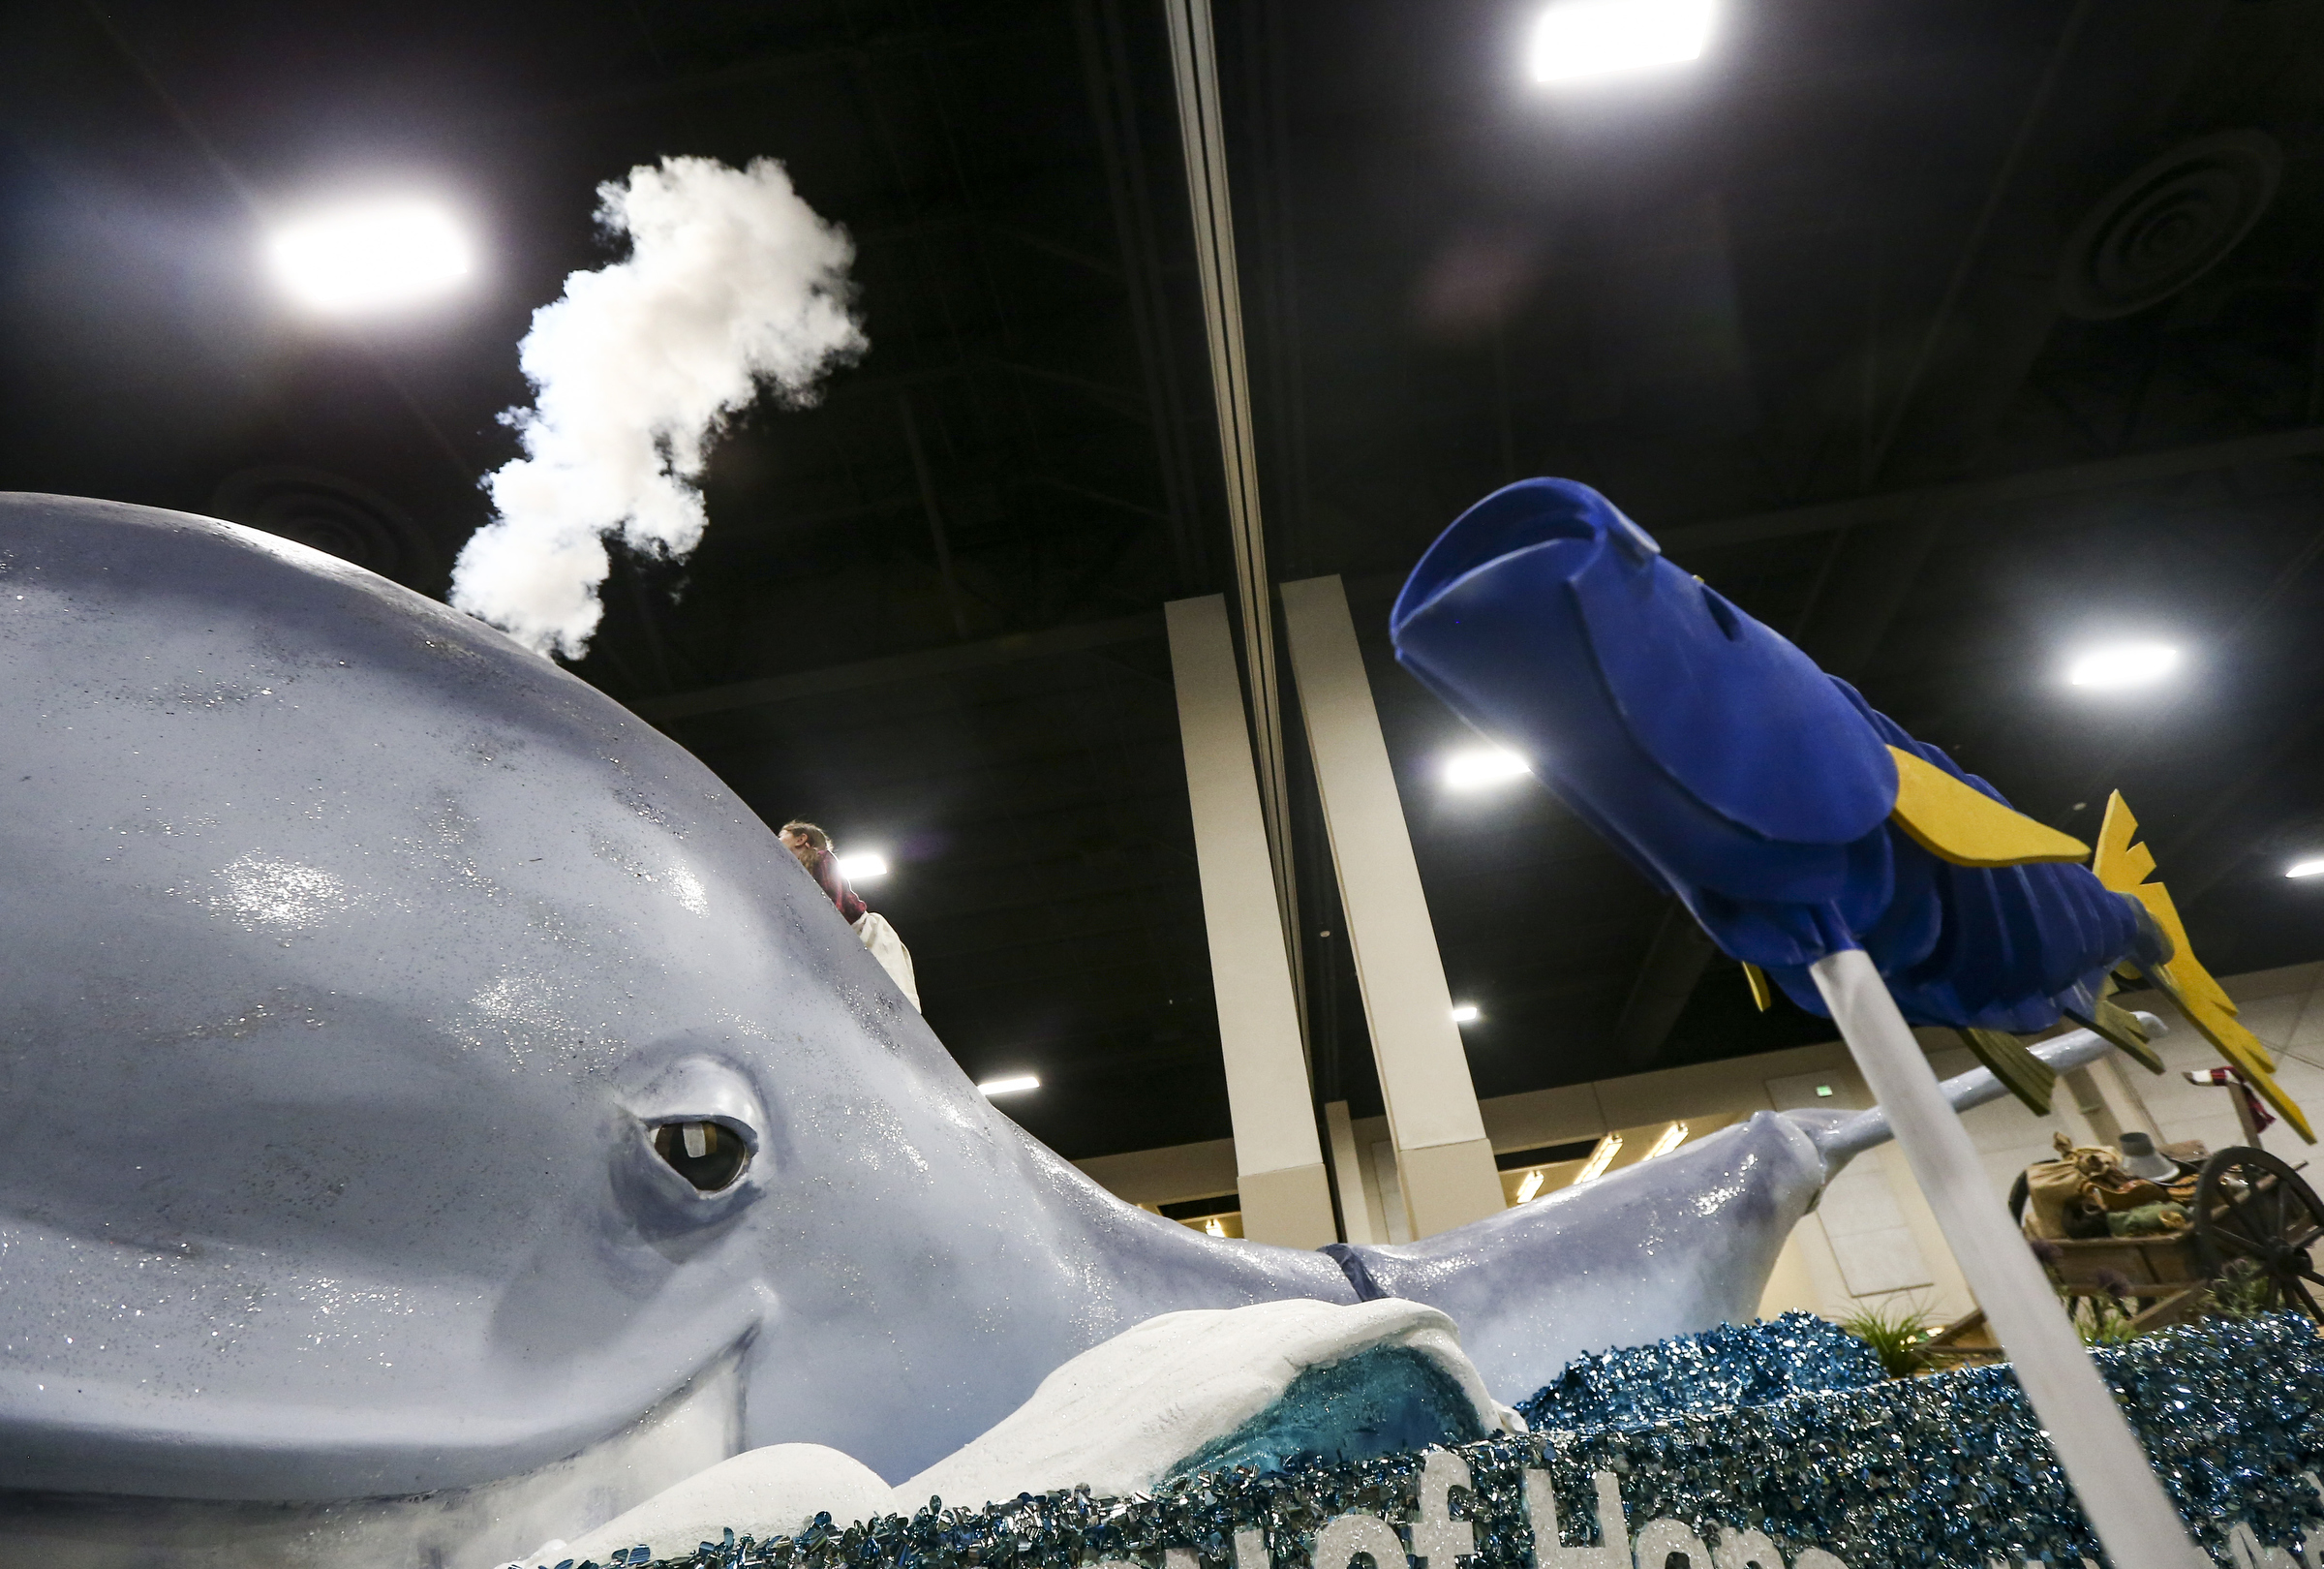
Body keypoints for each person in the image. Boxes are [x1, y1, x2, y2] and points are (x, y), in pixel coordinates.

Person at [780, 820, 920, 1010]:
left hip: (869, 935)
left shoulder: (822, 858)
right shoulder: (794, 874)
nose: (777, 839)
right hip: (843, 940)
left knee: (893, 996)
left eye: (782, 835)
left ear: (801, 839)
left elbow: (832, 902)